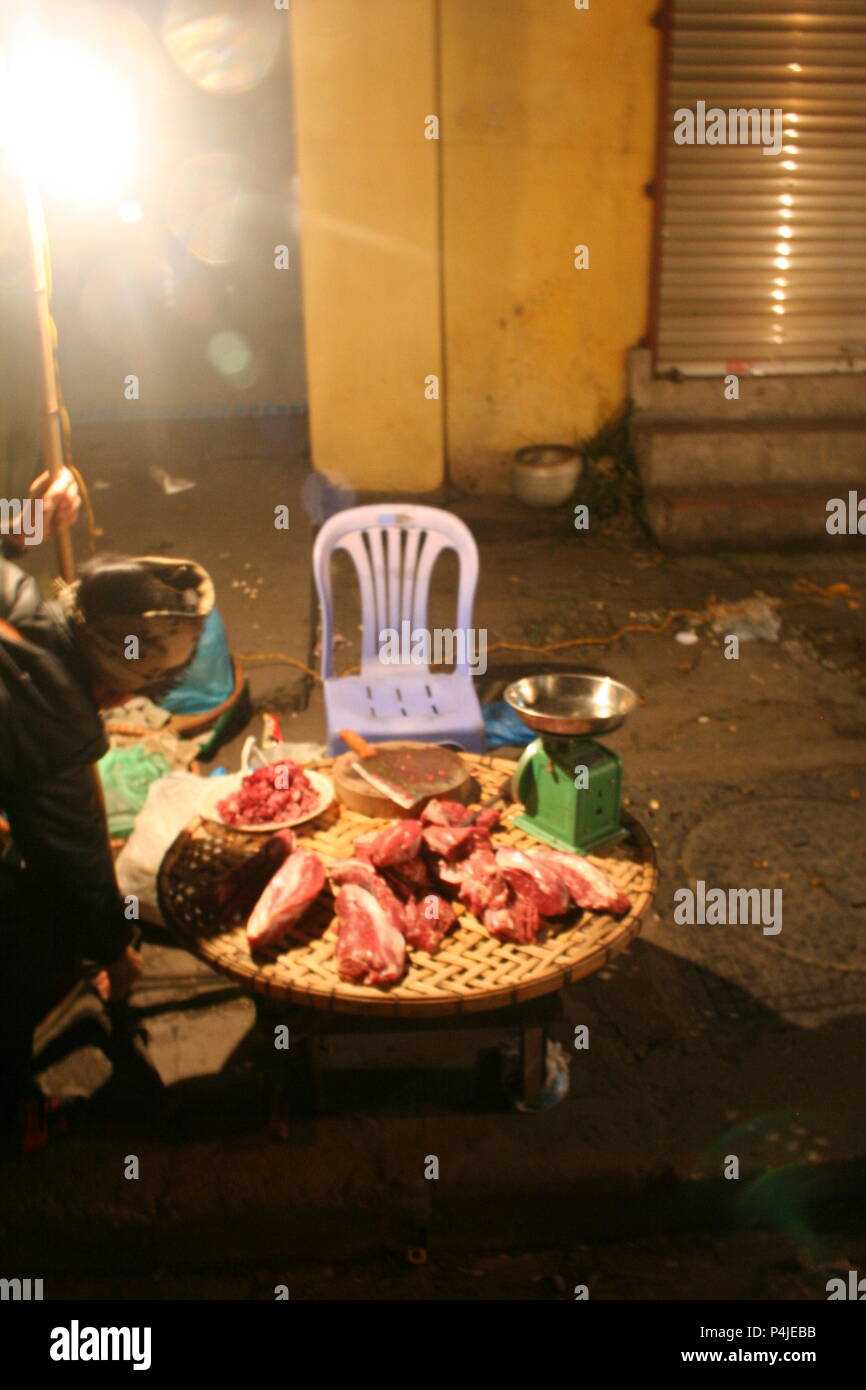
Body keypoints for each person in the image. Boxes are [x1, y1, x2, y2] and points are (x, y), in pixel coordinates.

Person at [0, 544, 215, 1156]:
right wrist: (113, 947)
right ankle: (13, 1117)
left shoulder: (15, 588)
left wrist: (25, 520)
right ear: (118, 691)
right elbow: (71, 863)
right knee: (14, 923)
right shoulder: (53, 717)